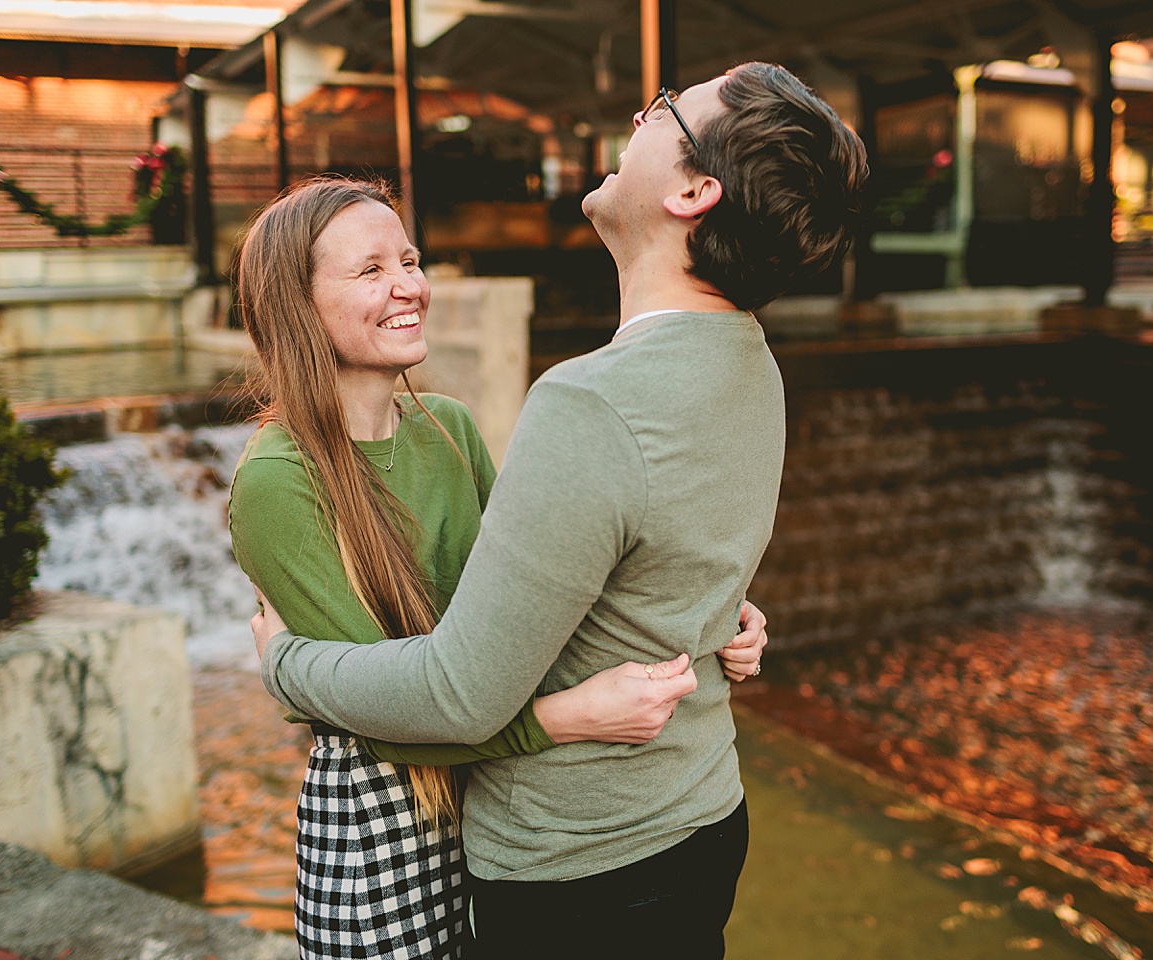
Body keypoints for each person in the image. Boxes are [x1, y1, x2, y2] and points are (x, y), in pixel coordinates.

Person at [255, 61, 867, 959]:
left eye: (663, 110)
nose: (637, 114)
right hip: (704, 817)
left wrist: (285, 667)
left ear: (695, 190)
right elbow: (649, 556)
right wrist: (712, 612)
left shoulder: (588, 404)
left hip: (583, 873)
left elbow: (459, 695)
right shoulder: (752, 364)